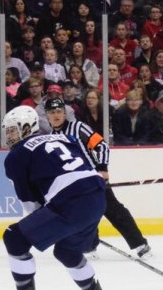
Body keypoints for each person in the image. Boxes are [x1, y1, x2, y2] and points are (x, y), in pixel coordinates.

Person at [0, 106, 109, 290]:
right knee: (67, 251)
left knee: (14, 237)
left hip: (71, 202)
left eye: (12, 130)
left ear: (27, 127)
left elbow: (30, 202)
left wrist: (36, 225)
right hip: (96, 196)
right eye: (8, 131)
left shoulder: (17, 155)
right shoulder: (65, 138)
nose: (9, 136)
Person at [45, 97, 152, 260]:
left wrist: (102, 168)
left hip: (93, 178)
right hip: (75, 184)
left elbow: (101, 145)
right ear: (47, 116)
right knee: (84, 215)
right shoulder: (50, 138)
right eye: (52, 112)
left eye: (59, 111)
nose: (56, 115)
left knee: (114, 210)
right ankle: (90, 246)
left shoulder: (78, 127)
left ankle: (140, 244)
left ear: (64, 113)